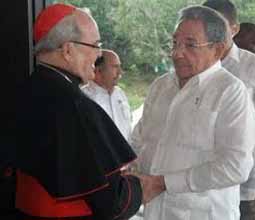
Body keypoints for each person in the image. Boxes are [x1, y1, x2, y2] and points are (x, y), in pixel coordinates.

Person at [16, 3, 161, 220]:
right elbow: (113, 203)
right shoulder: (73, 104)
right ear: (68, 50)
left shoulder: (29, 87)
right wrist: (140, 186)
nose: (100, 53)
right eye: (94, 45)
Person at [131, 5, 255, 220]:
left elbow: (236, 166)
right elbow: (140, 138)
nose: (177, 53)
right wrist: (130, 167)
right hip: (154, 211)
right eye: (175, 43)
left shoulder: (230, 91)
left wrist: (163, 183)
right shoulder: (160, 86)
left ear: (217, 50)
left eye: (190, 45)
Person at [203, 1, 255, 219]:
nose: (211, 32)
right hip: (197, 186)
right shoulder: (194, 66)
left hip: (244, 188)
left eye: (218, 25)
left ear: (234, 28)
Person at [82, 50, 131, 140]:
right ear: (99, 70)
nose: (120, 72)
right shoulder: (84, 98)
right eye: (115, 67)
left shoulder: (120, 94)